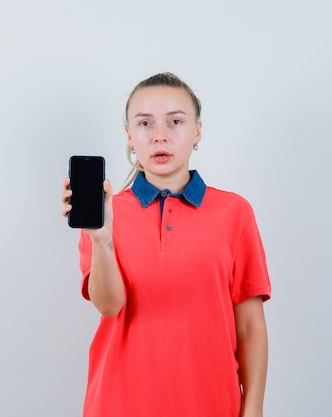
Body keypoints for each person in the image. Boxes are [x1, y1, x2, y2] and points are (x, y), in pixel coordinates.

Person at [61, 72, 271, 417]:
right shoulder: (104, 216)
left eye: (175, 121)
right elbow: (110, 306)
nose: (160, 136)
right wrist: (102, 239)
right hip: (117, 405)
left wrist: (254, 411)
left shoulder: (235, 213)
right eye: (145, 123)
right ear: (129, 135)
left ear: (197, 131)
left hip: (212, 406)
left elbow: (250, 326)